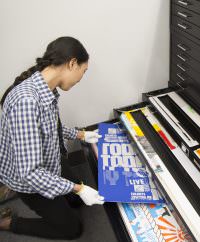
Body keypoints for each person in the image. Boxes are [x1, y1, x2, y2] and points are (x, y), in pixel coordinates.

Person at [0, 36, 104, 240]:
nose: (81, 78)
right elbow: (30, 173)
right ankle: (9, 223)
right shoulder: (27, 101)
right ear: (72, 63)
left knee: (76, 201)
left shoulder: (45, 89)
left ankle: (66, 196)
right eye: (83, 71)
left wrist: (81, 134)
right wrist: (78, 188)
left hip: (50, 161)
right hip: (29, 180)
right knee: (72, 229)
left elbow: (50, 128)